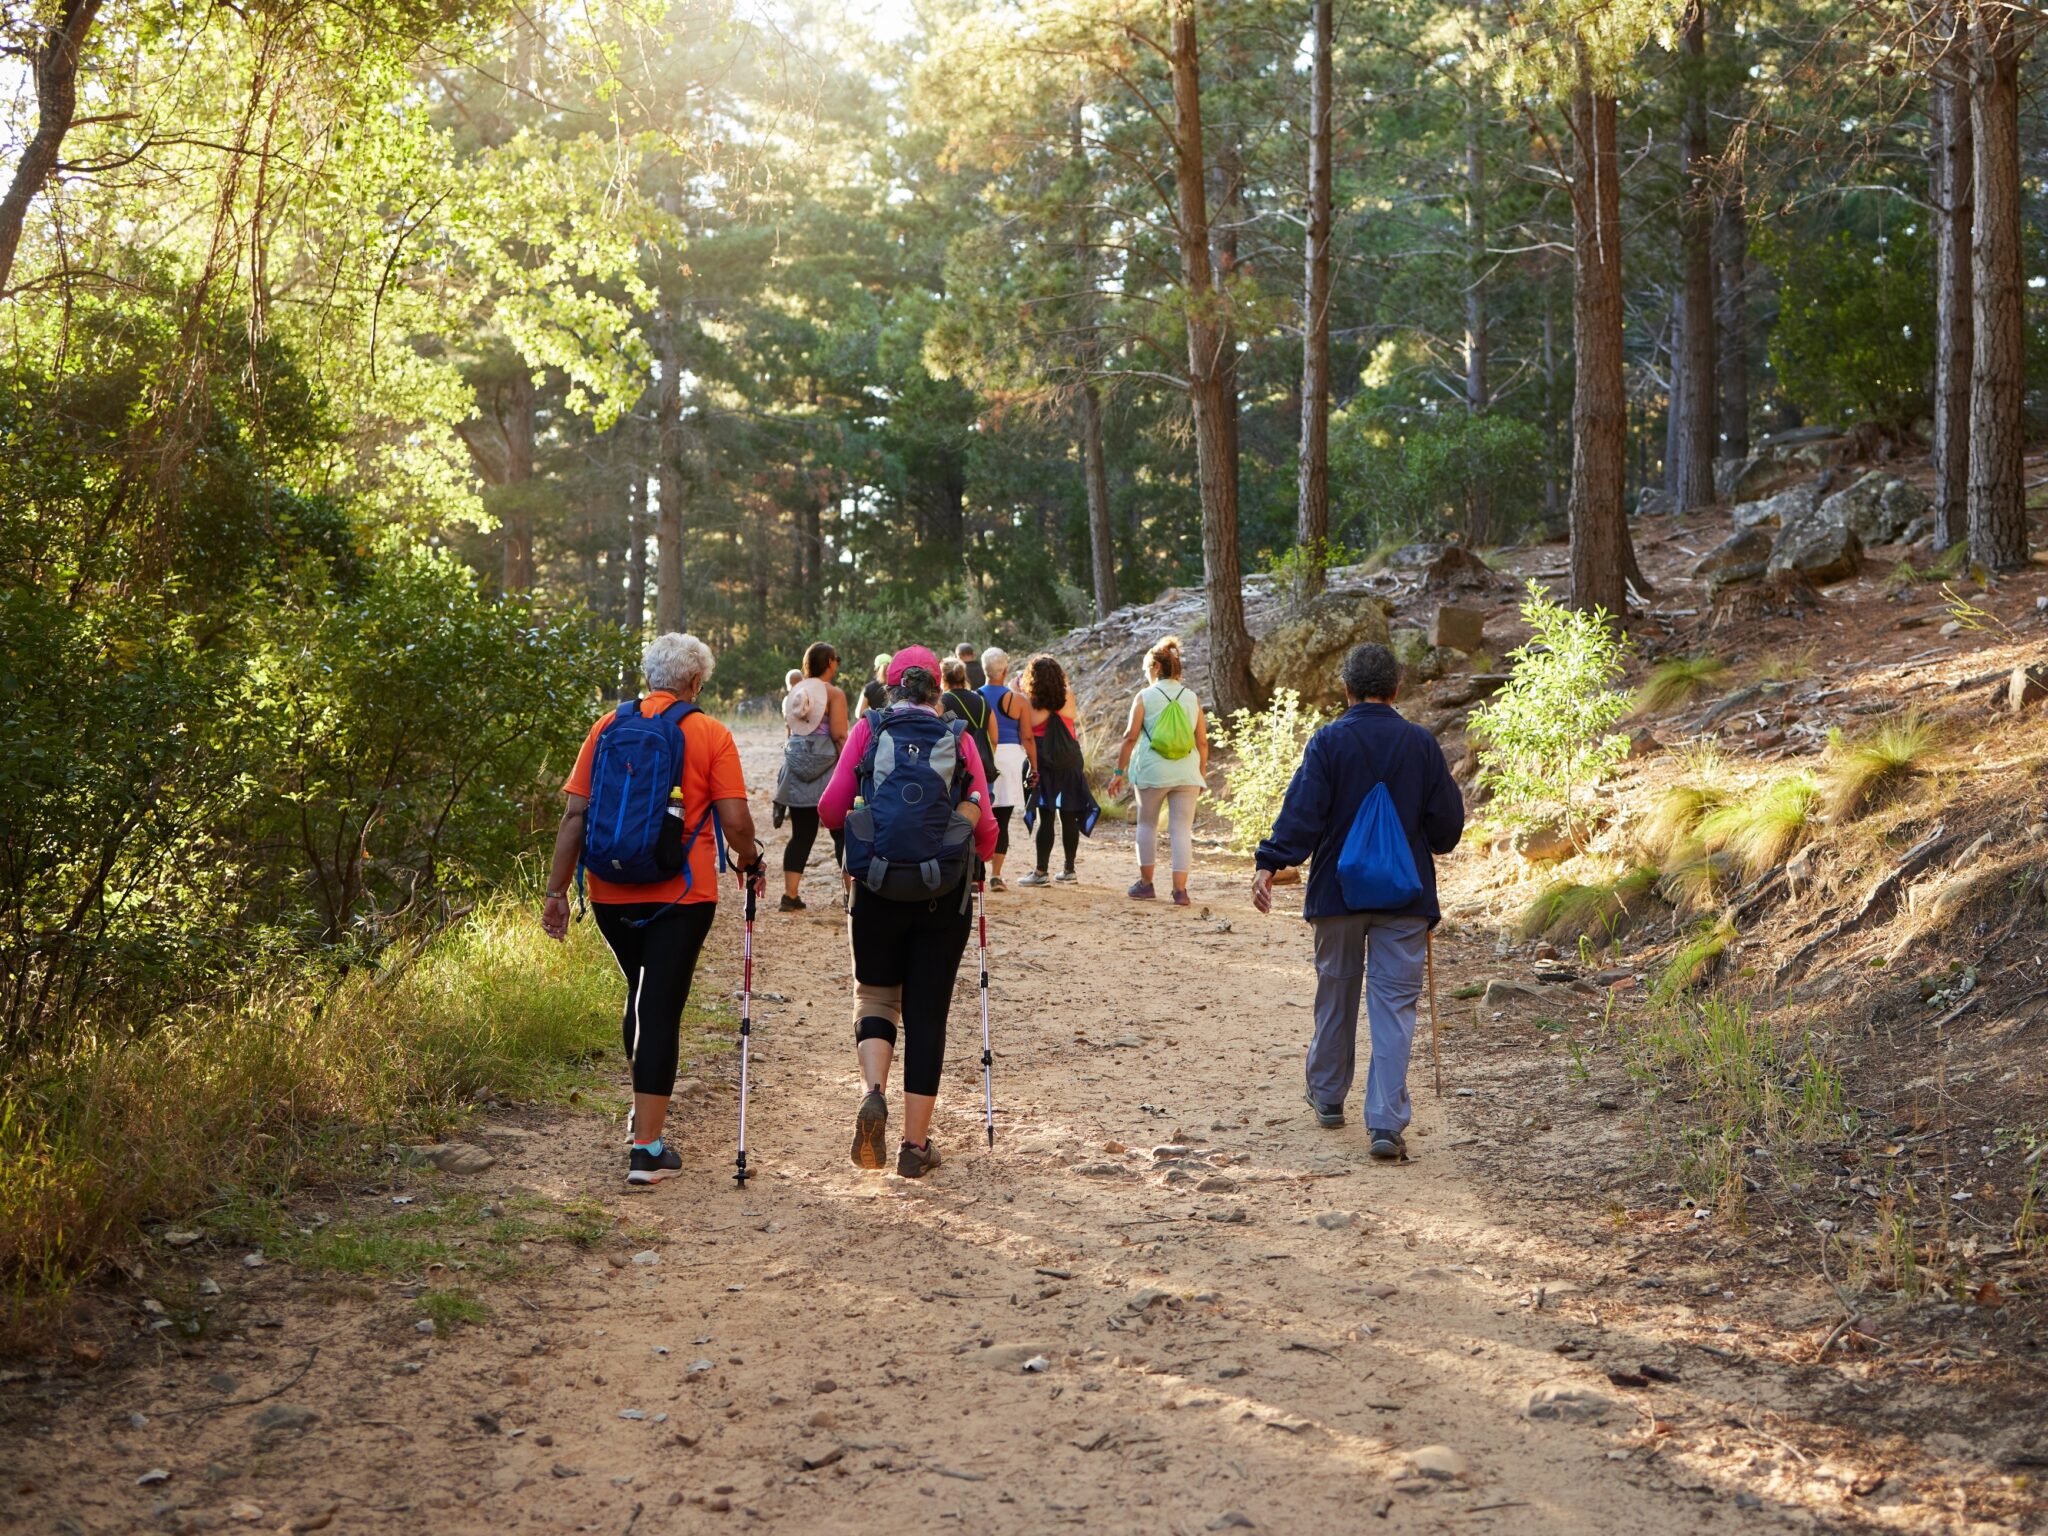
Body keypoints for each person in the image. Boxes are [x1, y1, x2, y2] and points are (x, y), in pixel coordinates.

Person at [542, 633, 764, 1185]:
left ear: (648, 677)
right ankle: (647, 1149)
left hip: (610, 889)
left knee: (640, 994)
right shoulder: (710, 733)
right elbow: (735, 820)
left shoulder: (607, 725)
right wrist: (750, 858)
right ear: (694, 683)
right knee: (660, 1006)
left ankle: (643, 1115)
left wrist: (555, 892)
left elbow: (575, 815)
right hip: (681, 894)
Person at [1251, 642, 1464, 1161]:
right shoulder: (1420, 744)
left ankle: (1327, 1098)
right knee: (1394, 1007)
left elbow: (1302, 813)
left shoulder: (1328, 742)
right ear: (1396, 689)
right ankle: (1386, 1124)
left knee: (1336, 993)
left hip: (1337, 896)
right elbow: (1446, 830)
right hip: (1406, 897)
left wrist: (1269, 862)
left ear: (1345, 690)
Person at [819, 647, 998, 1178]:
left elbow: (831, 808)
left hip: (875, 884)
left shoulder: (868, 731)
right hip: (942, 892)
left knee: (875, 993)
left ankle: (874, 1091)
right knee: (927, 1015)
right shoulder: (958, 737)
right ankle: (914, 1147)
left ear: (890, 686)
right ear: (936, 689)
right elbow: (986, 829)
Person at [1109, 636, 1209, 907]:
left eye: (1145, 670)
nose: (1145, 674)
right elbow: (1201, 741)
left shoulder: (1144, 696)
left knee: (1147, 824)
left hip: (1153, 771)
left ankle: (1146, 884)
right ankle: (1180, 892)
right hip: (1187, 773)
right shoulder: (1192, 698)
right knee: (1180, 830)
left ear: (1155, 667)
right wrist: (1200, 774)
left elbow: (1130, 737)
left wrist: (1119, 771)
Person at [777, 642, 849, 912]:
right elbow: (839, 734)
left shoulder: (797, 690)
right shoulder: (834, 693)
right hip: (827, 766)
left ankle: (790, 895)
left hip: (797, 763)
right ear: (829, 662)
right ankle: (850, 896)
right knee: (841, 833)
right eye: (836, 660)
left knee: (801, 834)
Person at [1017, 653, 1099, 887]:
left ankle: (1041, 871)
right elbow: (1070, 714)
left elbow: (1028, 730)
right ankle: (1069, 869)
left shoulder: (1029, 701)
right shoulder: (1068, 695)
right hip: (1070, 757)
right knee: (1069, 814)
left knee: (1047, 815)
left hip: (1044, 759)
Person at [977, 648, 1039, 890]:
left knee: (979, 817)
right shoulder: (1018, 699)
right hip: (1011, 759)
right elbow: (1028, 737)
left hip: (983, 757)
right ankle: (996, 875)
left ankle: (976, 873)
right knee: (1001, 820)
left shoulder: (975, 696)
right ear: (1004, 670)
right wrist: (1034, 766)